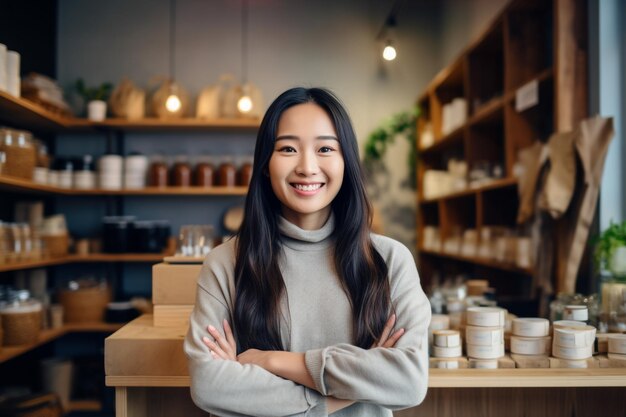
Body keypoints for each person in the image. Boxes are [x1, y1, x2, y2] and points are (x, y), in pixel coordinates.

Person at [184, 87, 431, 417]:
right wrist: (342, 393)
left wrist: (274, 361)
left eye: (326, 148)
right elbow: (209, 385)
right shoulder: (225, 263)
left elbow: (408, 380)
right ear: (265, 164)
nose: (307, 166)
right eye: (287, 148)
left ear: (346, 163)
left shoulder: (389, 260)